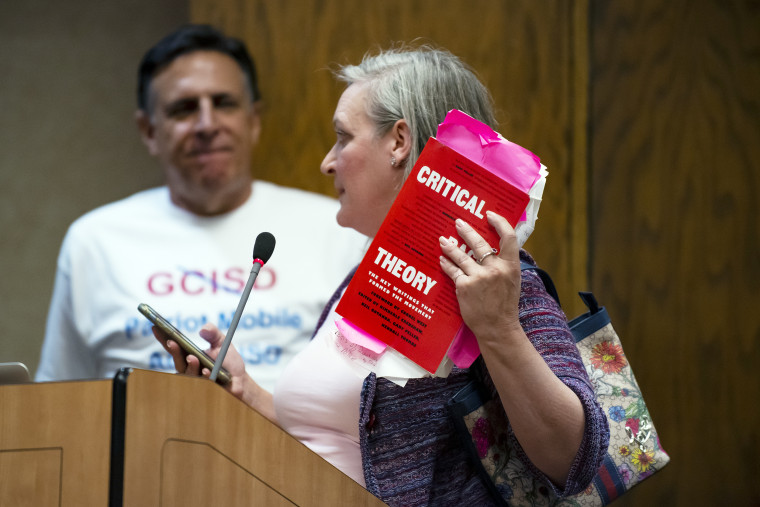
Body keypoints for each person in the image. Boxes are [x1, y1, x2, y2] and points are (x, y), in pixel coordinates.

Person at [158, 45, 609, 506]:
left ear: (398, 141)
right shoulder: (364, 277)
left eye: (342, 137)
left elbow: (576, 461)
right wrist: (246, 392)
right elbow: (331, 446)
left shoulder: (495, 283)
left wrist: (498, 328)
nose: (327, 162)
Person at [34, 24, 367, 393]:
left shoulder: (339, 229)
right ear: (148, 130)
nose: (207, 124)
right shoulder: (94, 241)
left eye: (224, 103)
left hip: (292, 448)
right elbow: (59, 393)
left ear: (253, 120)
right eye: (184, 108)